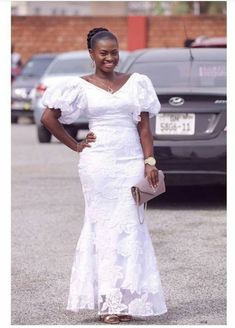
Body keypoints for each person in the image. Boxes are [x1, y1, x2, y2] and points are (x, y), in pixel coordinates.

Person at [41, 27, 167, 324]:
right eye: (104, 53)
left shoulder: (137, 83)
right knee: (104, 229)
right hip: (98, 165)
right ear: (91, 55)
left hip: (130, 161)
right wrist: (76, 145)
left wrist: (149, 162)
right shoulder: (79, 86)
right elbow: (49, 117)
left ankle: (127, 300)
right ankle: (110, 303)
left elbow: (144, 128)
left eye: (114, 52)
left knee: (130, 227)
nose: (110, 58)